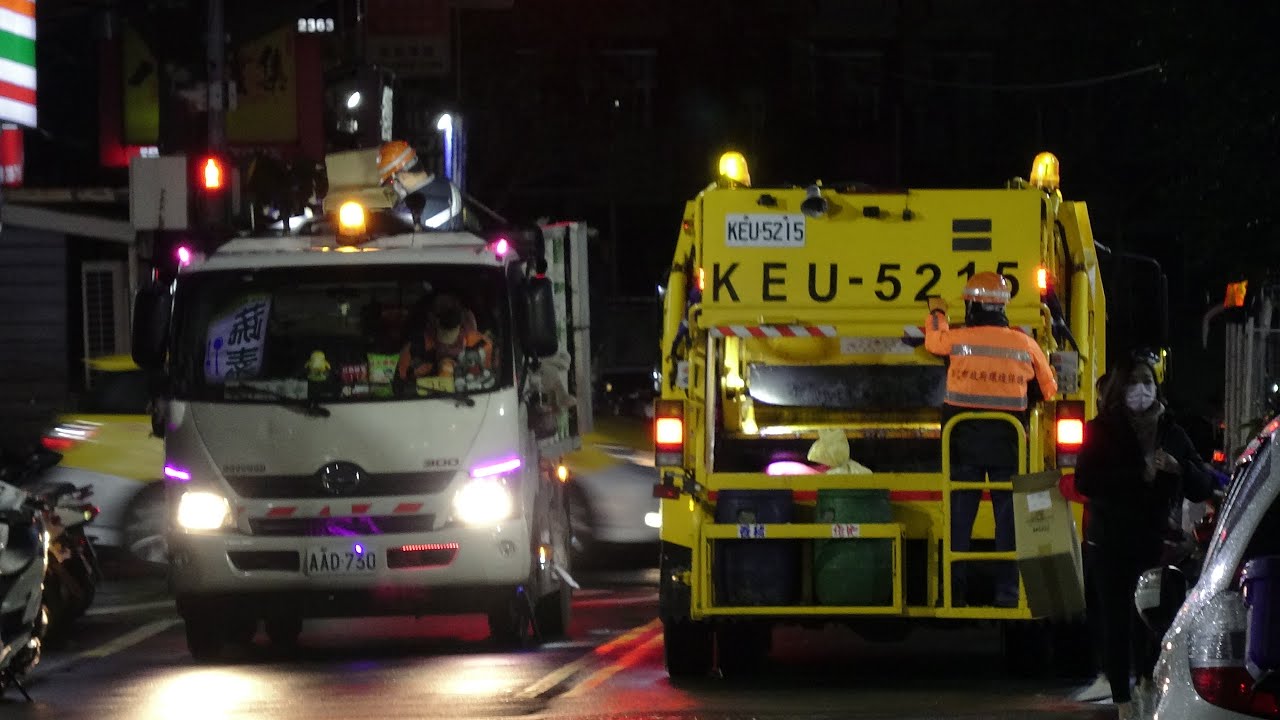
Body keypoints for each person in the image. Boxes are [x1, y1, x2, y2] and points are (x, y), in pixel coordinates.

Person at [1074, 352, 1212, 718]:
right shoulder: (1101, 430)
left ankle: (1148, 686)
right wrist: (1138, 475)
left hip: (1154, 544)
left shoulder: (1171, 431)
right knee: (1116, 621)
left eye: (1147, 381)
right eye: (1133, 382)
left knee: (1152, 621)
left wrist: (1179, 469)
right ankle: (1123, 699)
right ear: (1120, 388)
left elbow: (1201, 484)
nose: (1141, 390)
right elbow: (1085, 481)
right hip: (1110, 542)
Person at [925, 272, 1059, 607]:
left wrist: (937, 312)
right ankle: (1008, 594)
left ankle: (953, 593)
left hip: (962, 447)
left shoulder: (957, 339)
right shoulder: (1024, 344)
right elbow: (1050, 389)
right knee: (1009, 524)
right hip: (1008, 448)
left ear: (971, 306)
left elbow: (933, 342)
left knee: (959, 522)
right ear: (1002, 307)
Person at [396, 294, 494, 387]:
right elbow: (401, 381)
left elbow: (493, 378)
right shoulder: (417, 346)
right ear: (432, 318)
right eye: (443, 313)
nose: (449, 318)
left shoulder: (481, 345)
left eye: (452, 313)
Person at [377, 140, 462, 230]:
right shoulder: (449, 185)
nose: (393, 186)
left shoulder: (413, 210)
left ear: (403, 176)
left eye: (391, 181)